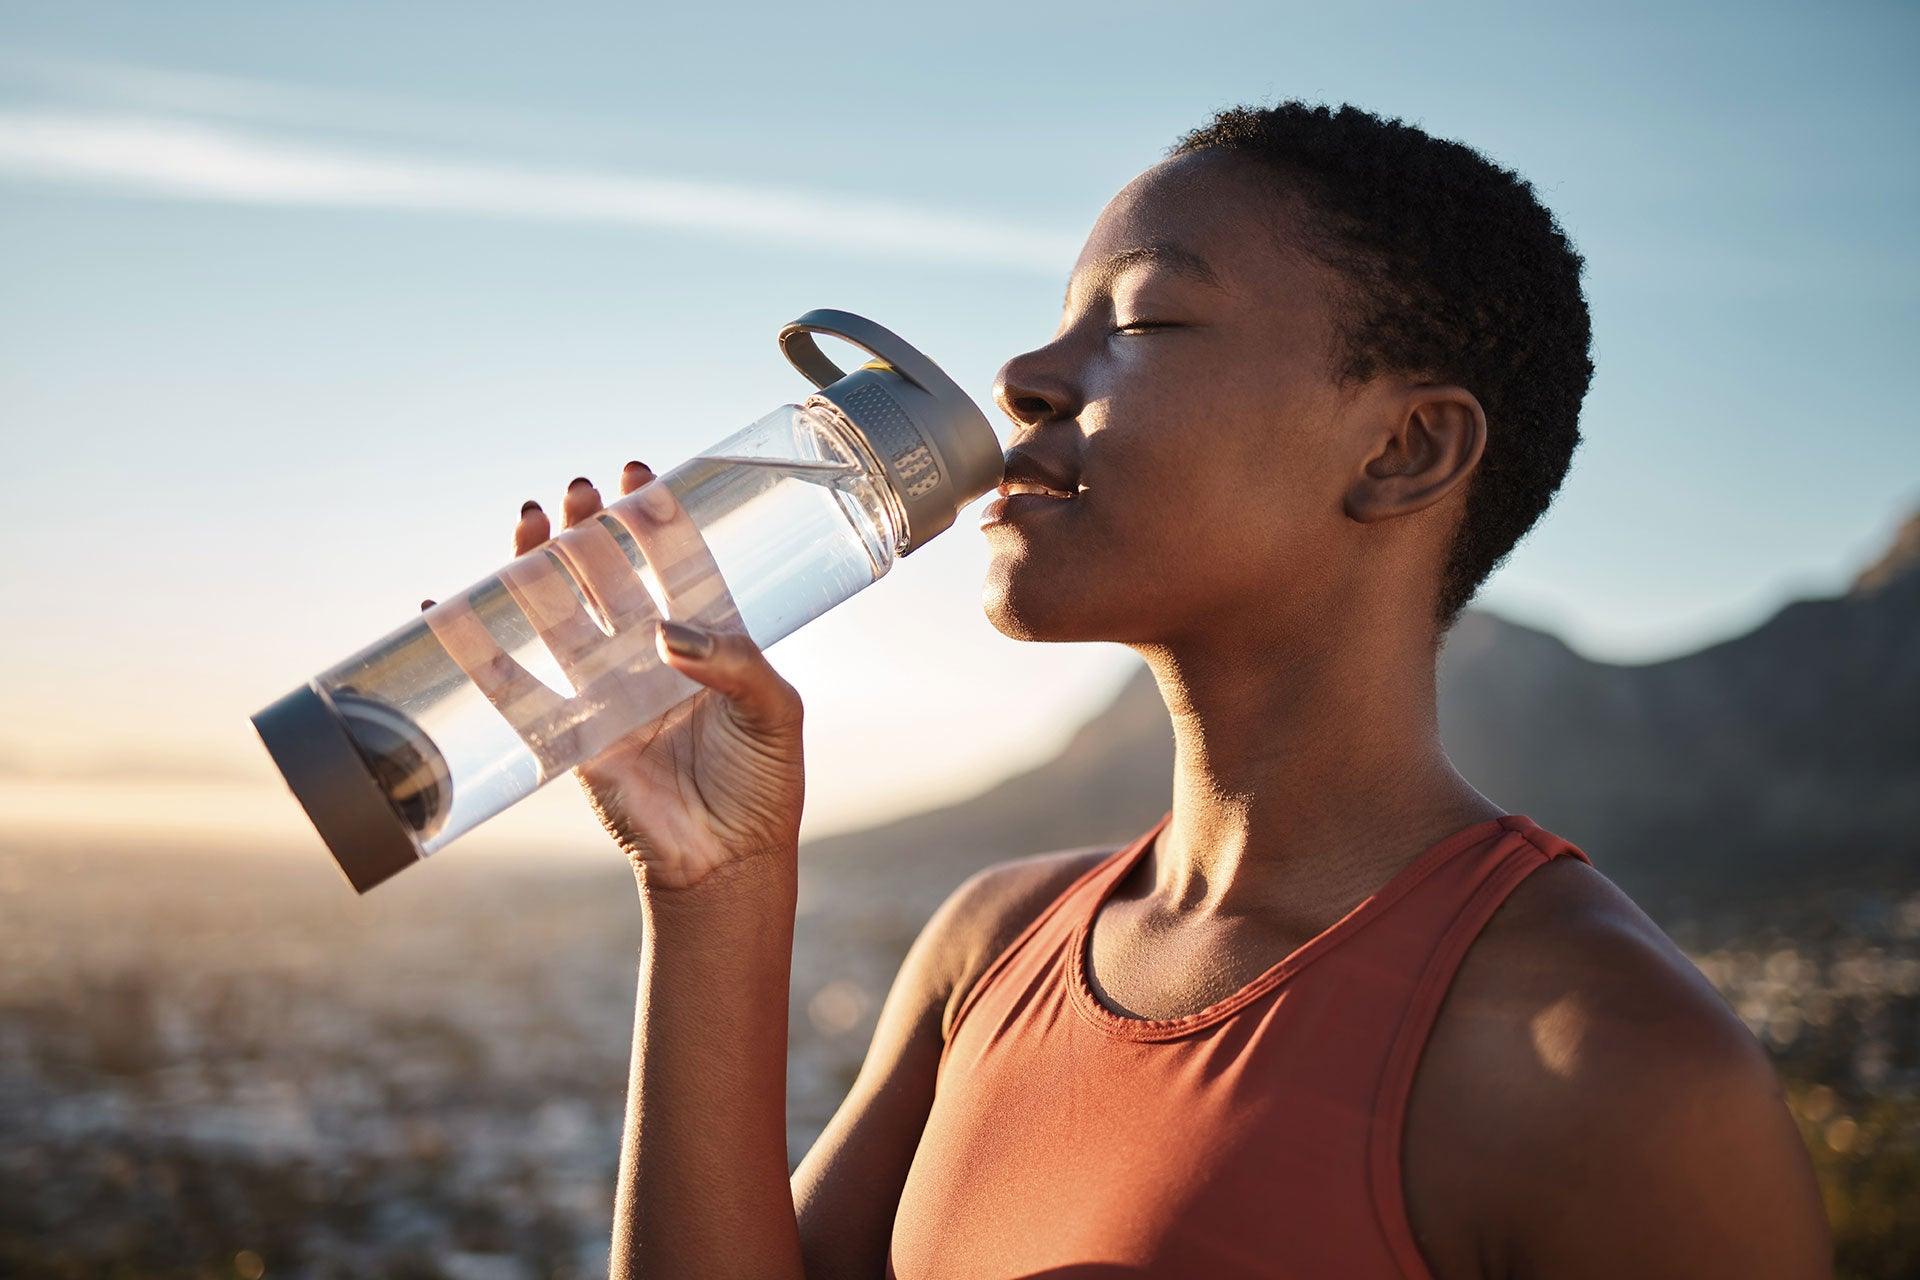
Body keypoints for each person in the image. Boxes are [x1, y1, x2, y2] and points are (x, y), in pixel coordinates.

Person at [517, 102, 1831, 1278]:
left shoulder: (1610, 1068)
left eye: (1142, 320)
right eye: (1062, 317)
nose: (1024, 378)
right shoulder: (991, 947)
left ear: (1405, 448)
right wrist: (711, 892)